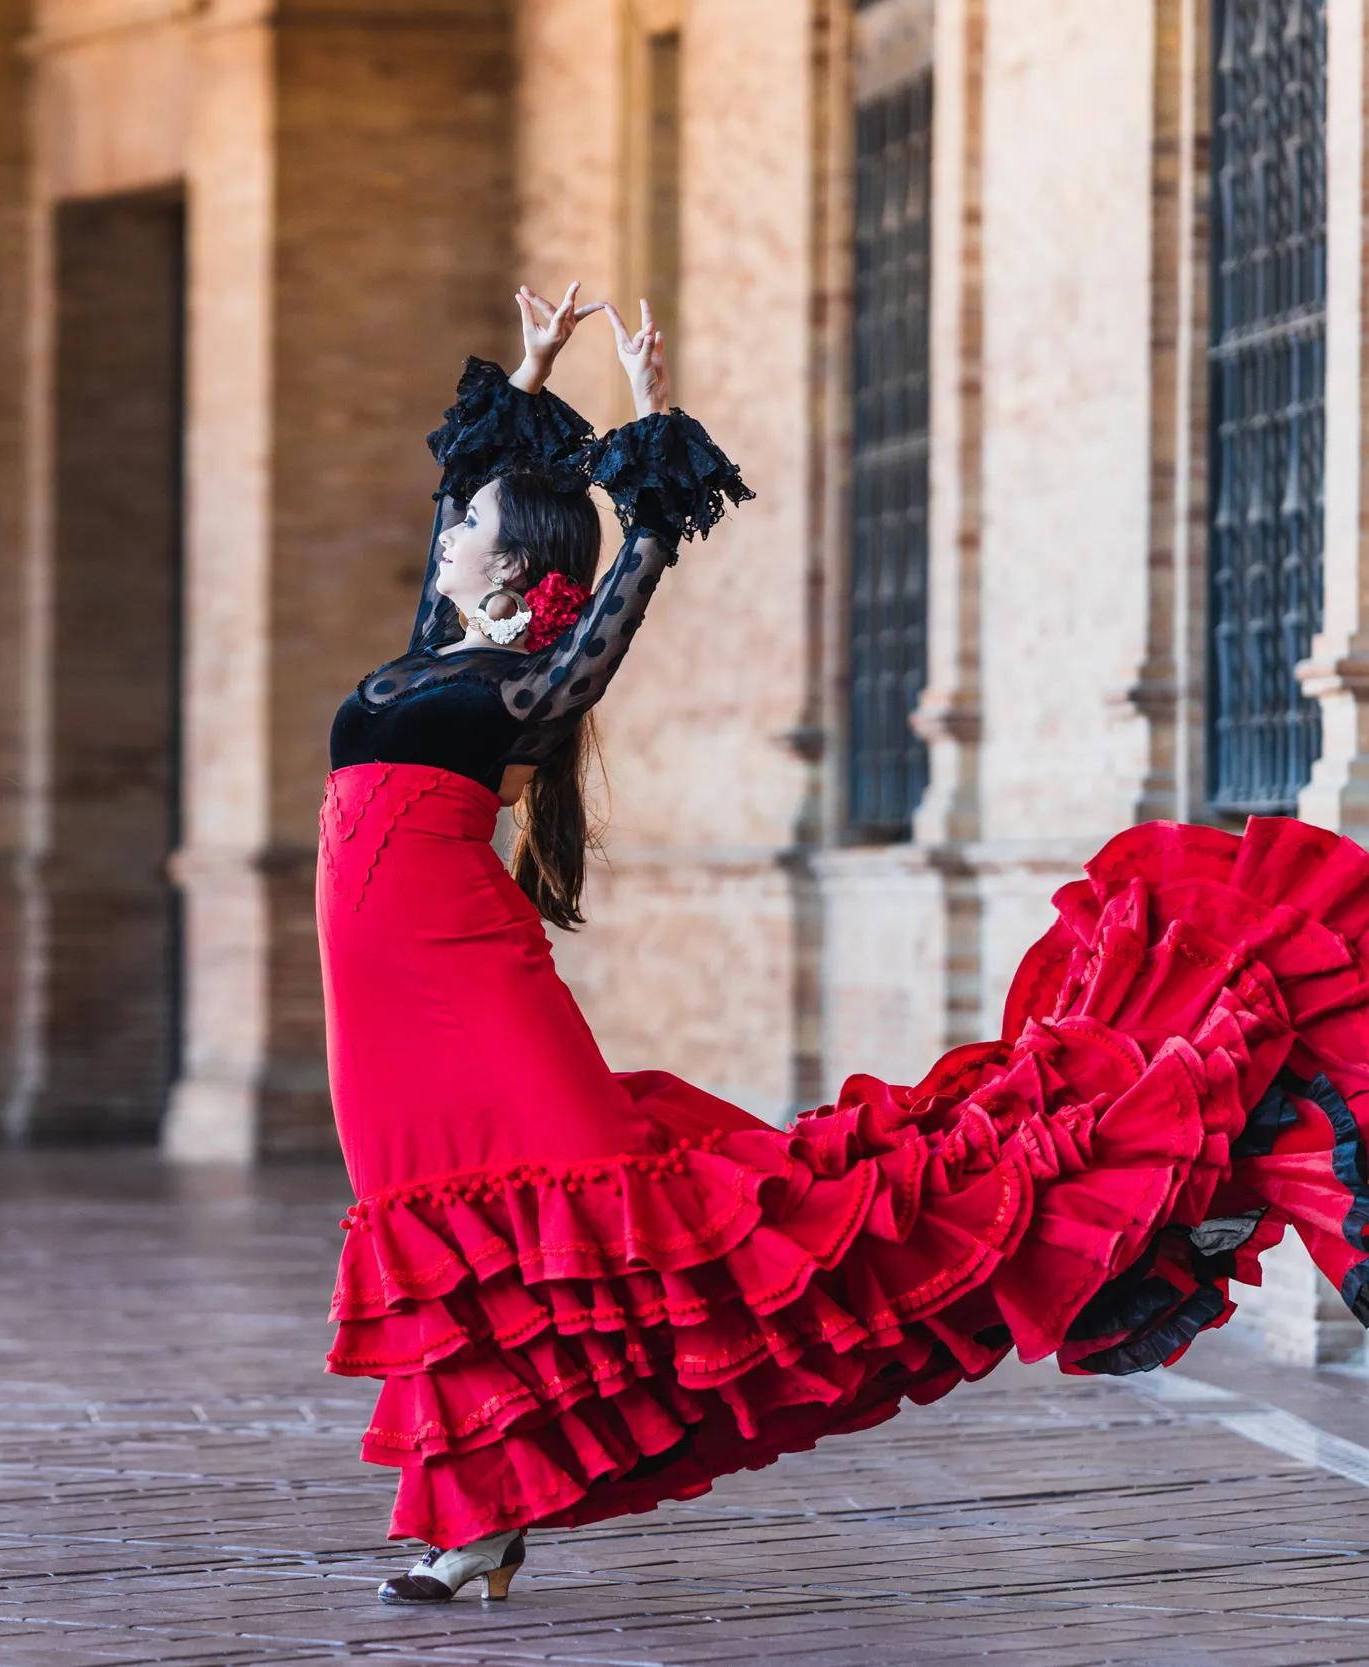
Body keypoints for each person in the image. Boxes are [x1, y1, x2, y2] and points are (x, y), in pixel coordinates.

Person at [319, 285, 1369, 1604]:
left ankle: (1151, 1174)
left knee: (634, 1239)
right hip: (381, 1017)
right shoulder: (431, 662)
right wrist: (526, 386)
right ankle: (486, 1510)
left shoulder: (515, 689)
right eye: (459, 519)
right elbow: (462, 506)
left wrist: (650, 439)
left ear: (524, 573)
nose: (448, 530)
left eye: (471, 525)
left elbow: (627, 581)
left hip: (469, 988)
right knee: (459, 1251)